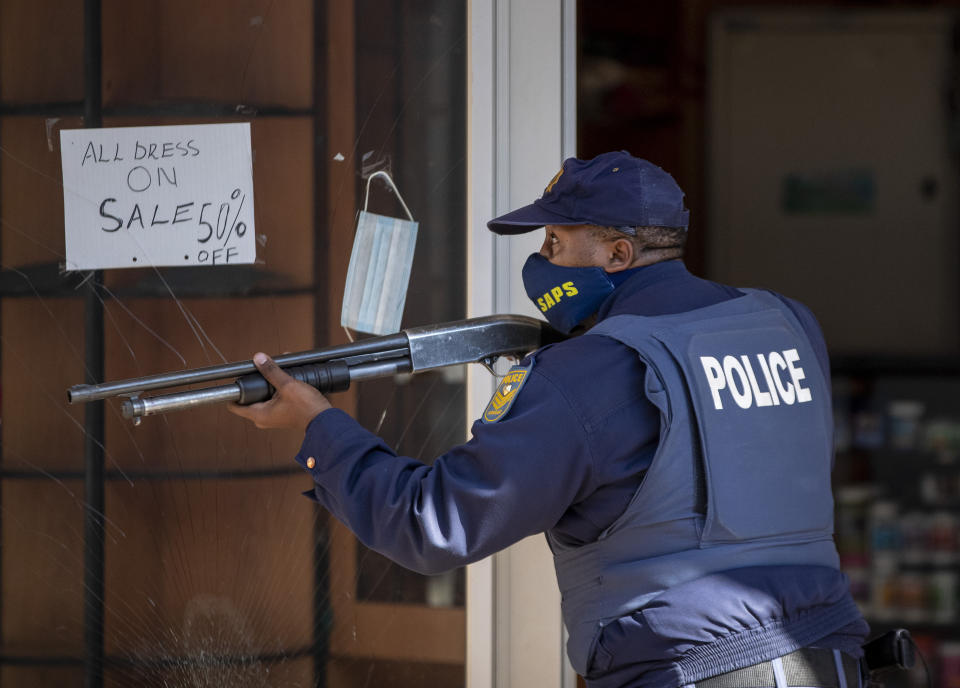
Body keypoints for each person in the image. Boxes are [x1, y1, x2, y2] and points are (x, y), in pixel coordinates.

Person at [229, 151, 869, 688]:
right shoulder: (787, 321)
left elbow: (433, 525)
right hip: (831, 658)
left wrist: (317, 426)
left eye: (556, 242)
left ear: (617, 255)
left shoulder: (583, 375)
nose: (541, 259)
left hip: (692, 672)